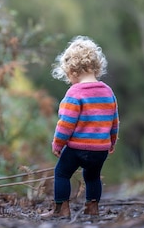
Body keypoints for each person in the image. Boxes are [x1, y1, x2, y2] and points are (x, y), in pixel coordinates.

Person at [43, 36, 119, 218]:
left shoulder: (75, 93)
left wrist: (58, 144)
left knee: (61, 173)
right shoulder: (108, 92)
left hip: (77, 148)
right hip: (100, 148)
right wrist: (112, 142)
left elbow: (66, 123)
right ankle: (92, 208)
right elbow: (114, 120)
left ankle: (62, 209)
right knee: (92, 176)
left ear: (73, 70)